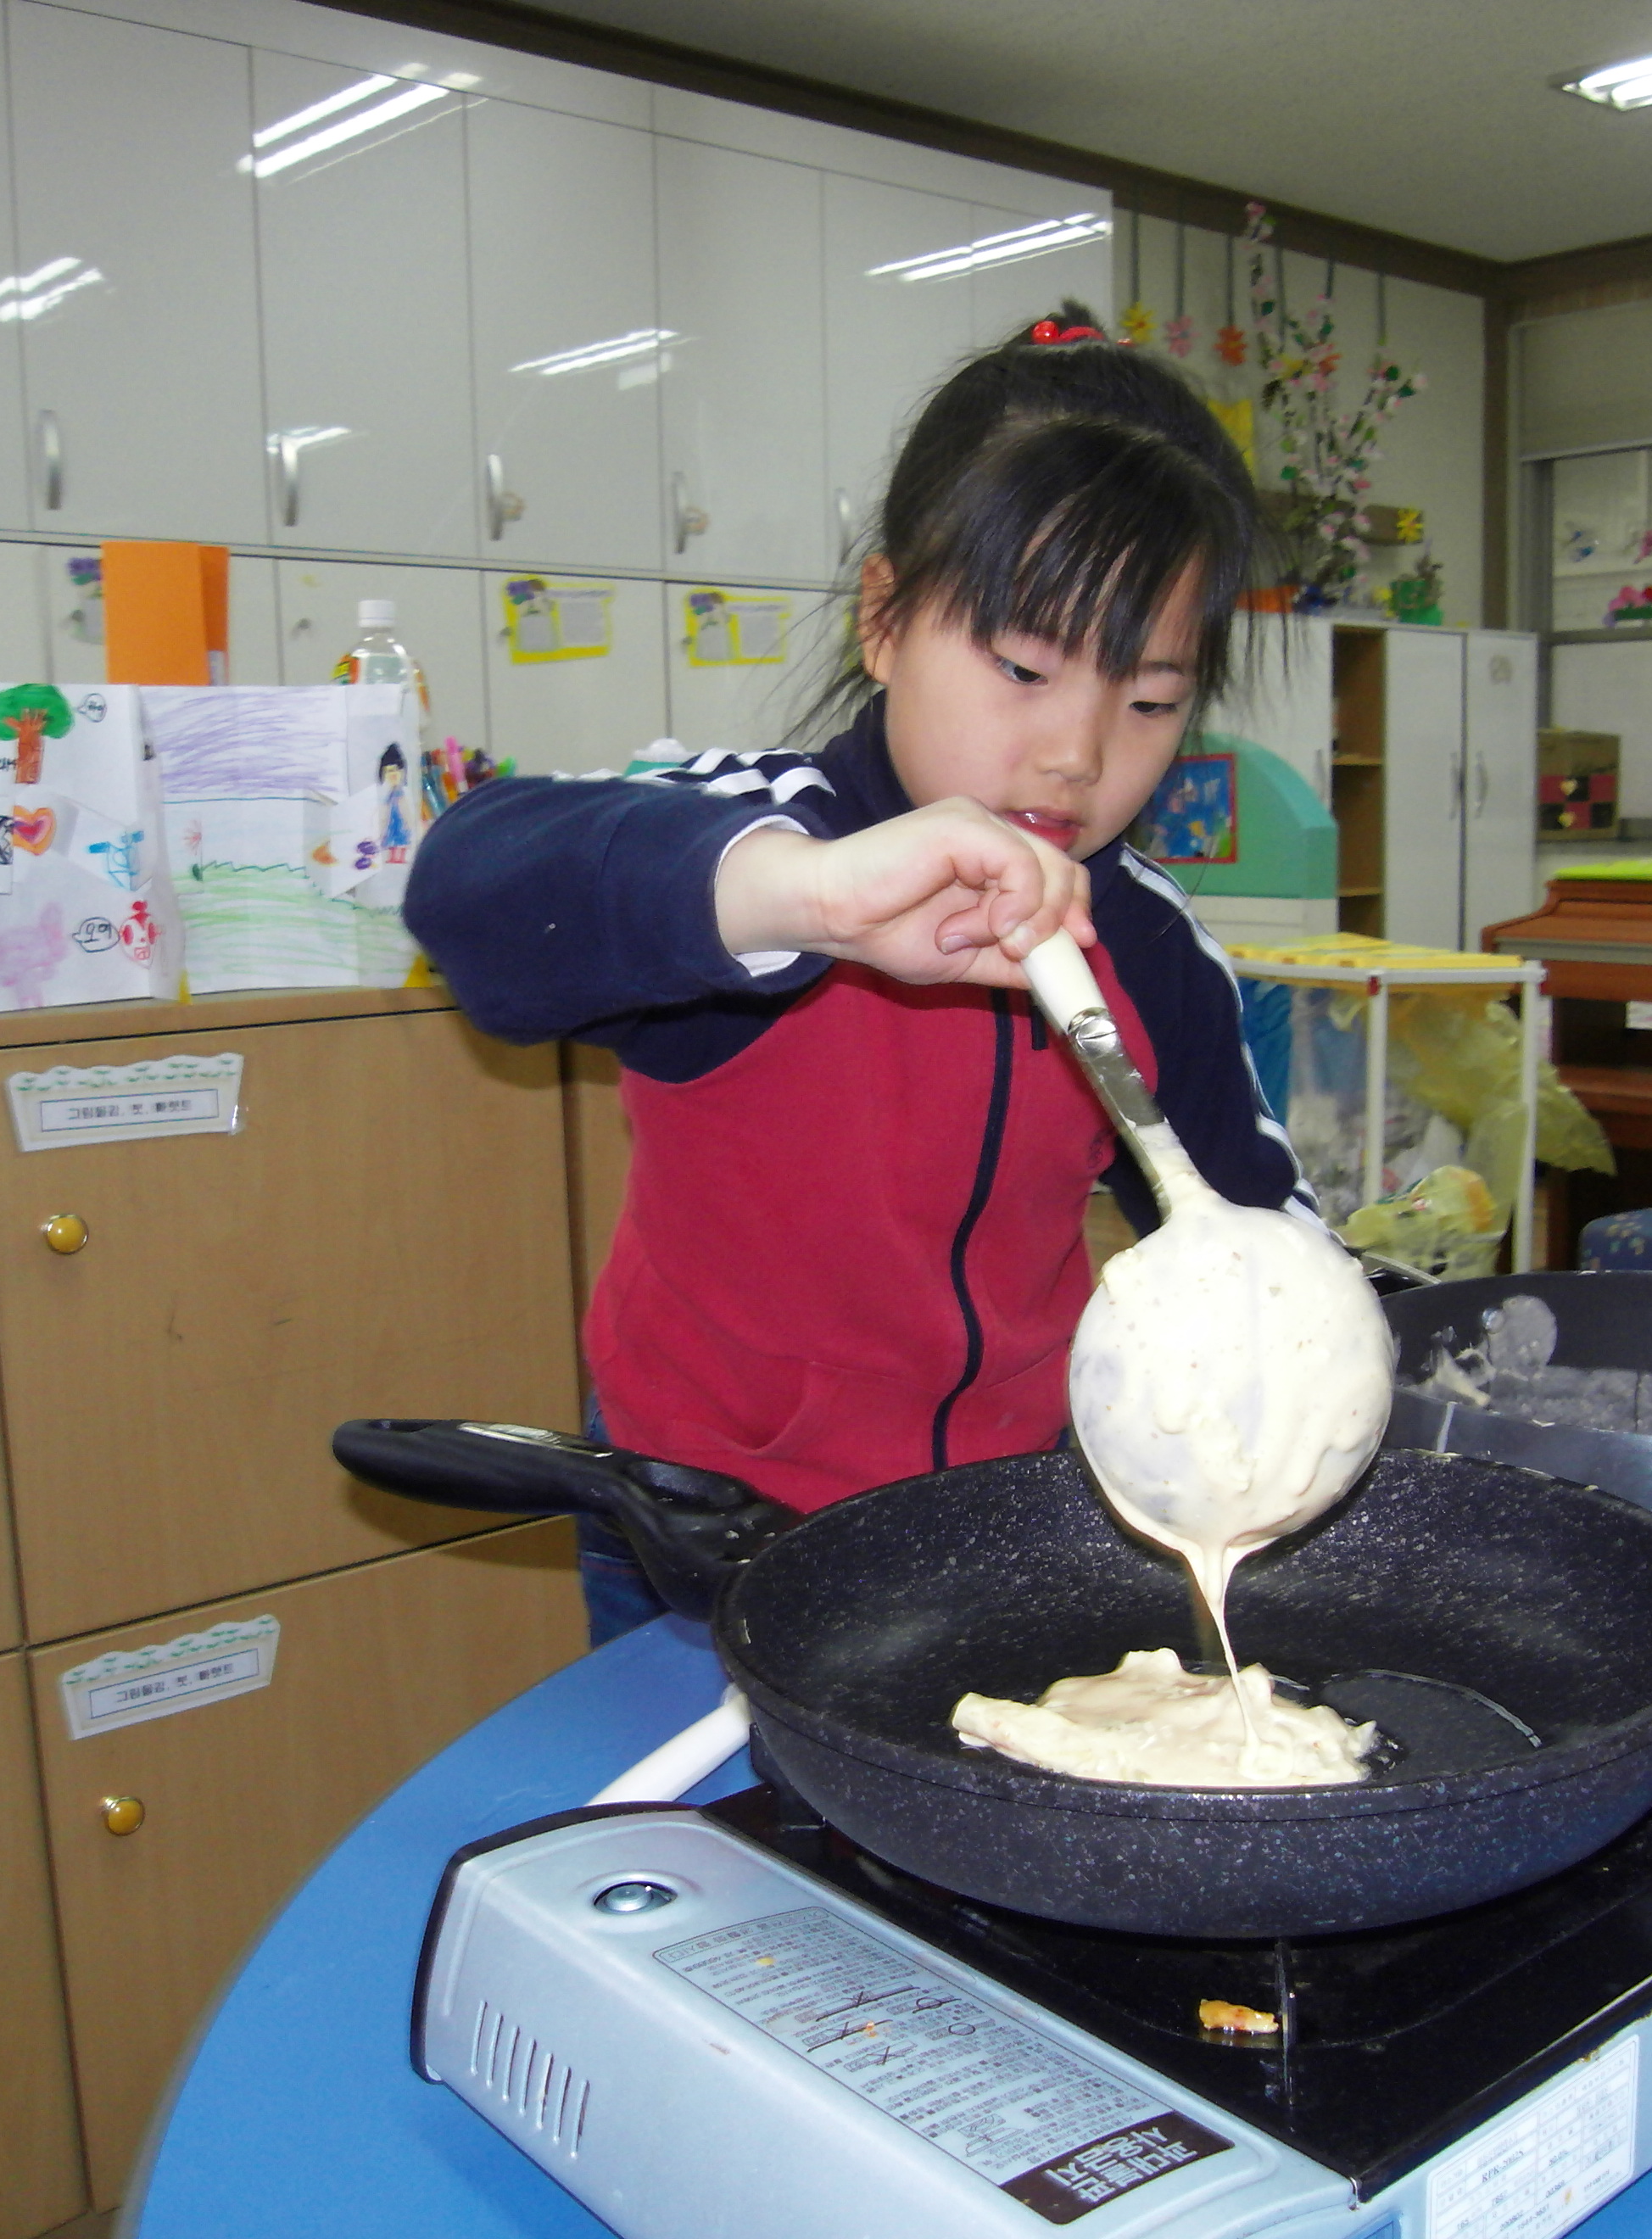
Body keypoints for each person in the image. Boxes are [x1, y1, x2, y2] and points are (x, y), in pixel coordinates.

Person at [404, 307, 1313, 1639]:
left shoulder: (1148, 942)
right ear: (885, 620)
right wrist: (805, 899)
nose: (1077, 750)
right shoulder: (762, 842)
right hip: (711, 1525)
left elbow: (1248, 1227)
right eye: (1023, 667)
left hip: (1010, 1522)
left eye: (1152, 700)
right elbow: (474, 892)